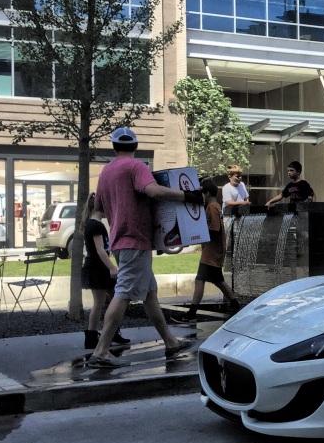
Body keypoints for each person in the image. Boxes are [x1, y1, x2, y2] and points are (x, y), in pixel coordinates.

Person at [87, 126, 205, 369]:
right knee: (124, 293)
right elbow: (152, 190)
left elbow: (97, 208)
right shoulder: (136, 167)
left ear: (114, 146)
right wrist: (187, 196)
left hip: (121, 240)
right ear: (136, 146)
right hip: (135, 240)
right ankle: (101, 352)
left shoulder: (106, 172)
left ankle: (171, 343)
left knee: (150, 294)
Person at [176, 179, 240, 324]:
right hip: (212, 253)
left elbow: (215, 229)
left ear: (208, 193)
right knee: (218, 281)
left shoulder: (212, 207)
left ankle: (192, 314)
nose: (201, 196)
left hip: (211, 253)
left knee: (200, 280)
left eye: (202, 193)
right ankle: (237, 306)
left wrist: (199, 232)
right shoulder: (214, 206)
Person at [81, 192, 129, 351]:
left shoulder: (92, 224)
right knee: (102, 302)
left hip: (97, 267)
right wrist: (112, 267)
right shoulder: (96, 225)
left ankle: (108, 332)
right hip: (98, 268)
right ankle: (93, 336)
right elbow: (101, 250)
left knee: (112, 299)